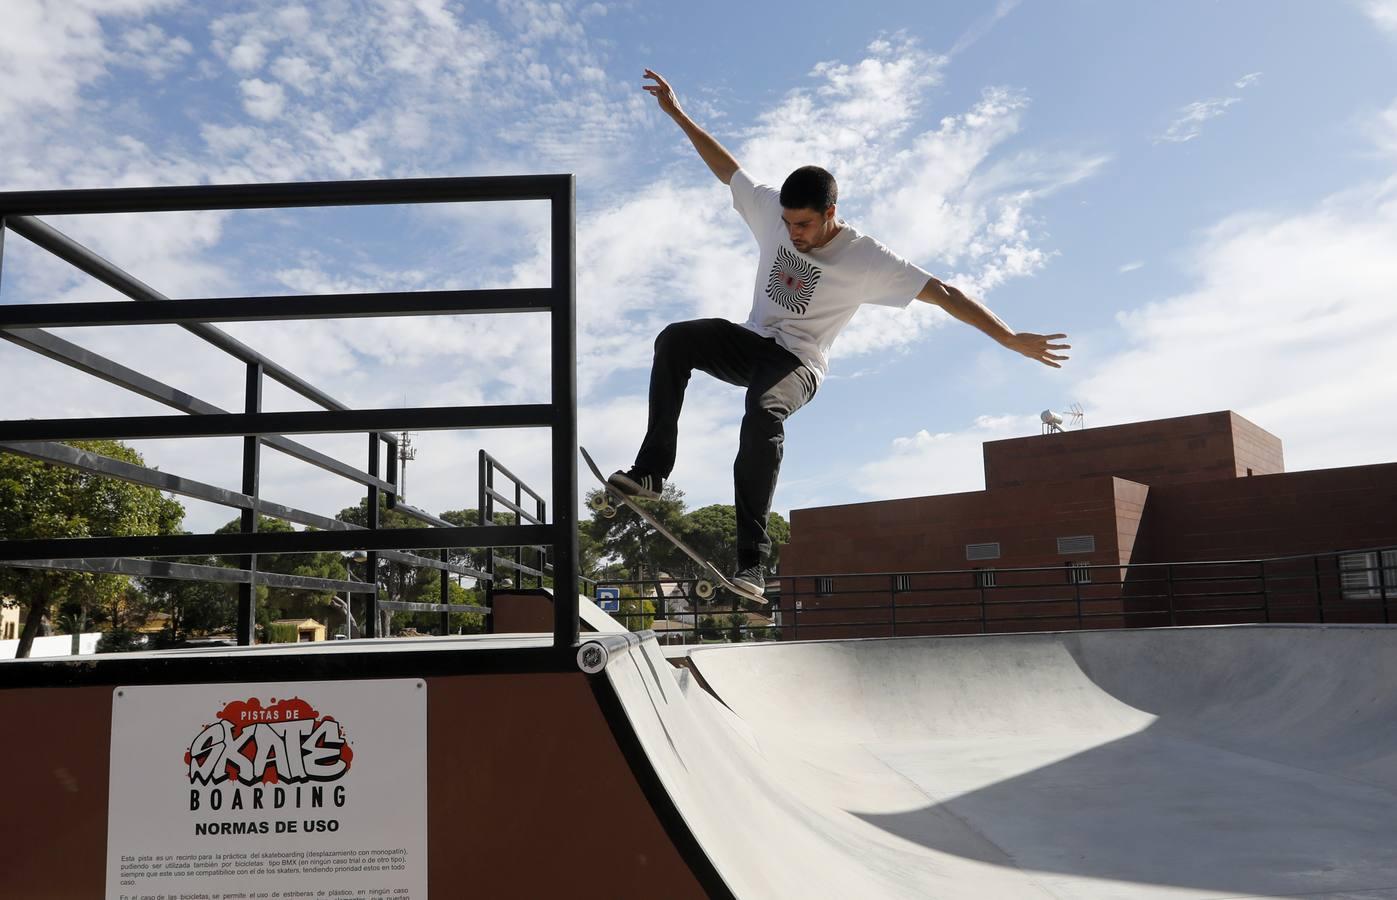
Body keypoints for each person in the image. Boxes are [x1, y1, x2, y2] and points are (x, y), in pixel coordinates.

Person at [608, 69, 1071, 600]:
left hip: (799, 363)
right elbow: (729, 170)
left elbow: (943, 292)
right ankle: (650, 473)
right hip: (752, 342)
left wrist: (1008, 337)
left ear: (831, 213)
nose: (793, 234)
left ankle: (751, 565)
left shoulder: (867, 259)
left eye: (803, 225)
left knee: (762, 414)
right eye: (787, 223)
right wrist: (676, 113)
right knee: (675, 340)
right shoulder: (774, 215)